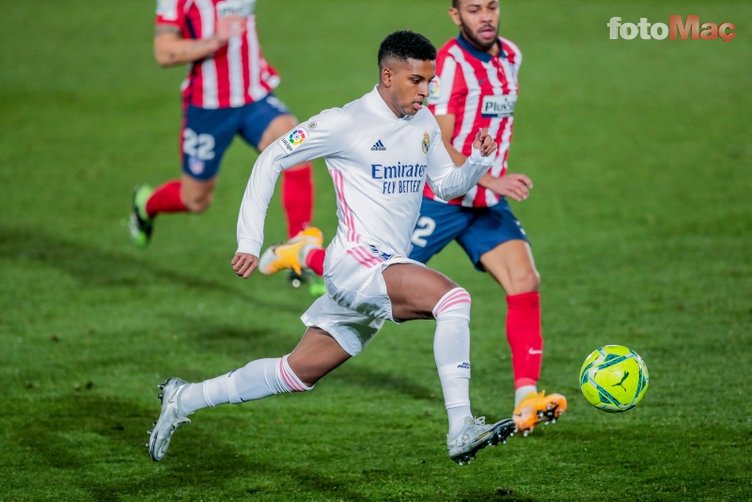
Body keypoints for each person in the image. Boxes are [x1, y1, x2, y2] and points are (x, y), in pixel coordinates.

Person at [148, 30, 516, 465]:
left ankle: (183, 398)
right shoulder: (345, 122)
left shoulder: (423, 124)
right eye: (416, 80)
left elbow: (445, 184)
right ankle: (461, 428)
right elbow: (271, 159)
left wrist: (474, 161)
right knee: (452, 299)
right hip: (358, 264)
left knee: (295, 372)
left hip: (380, 268)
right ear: (387, 75)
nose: (426, 90)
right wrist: (250, 239)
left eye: (429, 81)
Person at [258, 0, 567, 436]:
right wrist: (491, 178)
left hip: (481, 202)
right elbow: (436, 135)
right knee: (377, 284)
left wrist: (486, 180)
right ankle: (307, 253)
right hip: (435, 202)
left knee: (524, 279)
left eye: (492, 6)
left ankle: (526, 399)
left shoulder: (511, 57)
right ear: (455, 15)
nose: (486, 16)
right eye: (474, 9)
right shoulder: (452, 65)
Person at [129, 0, 320, 268]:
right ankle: (146, 205)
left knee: (298, 152)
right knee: (195, 200)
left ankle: (299, 252)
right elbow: (164, 52)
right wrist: (214, 40)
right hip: (208, 107)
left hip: (254, 97)